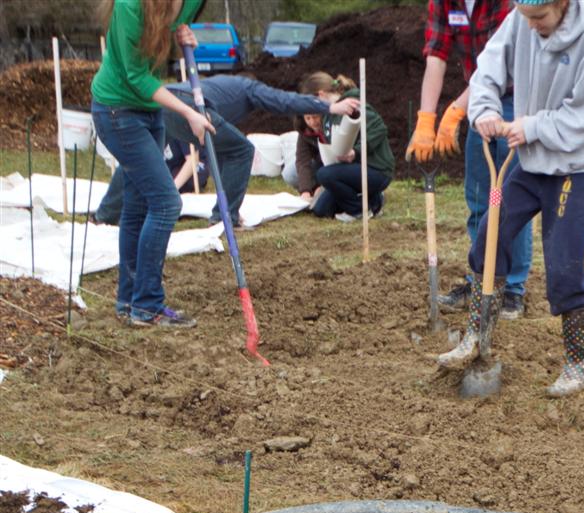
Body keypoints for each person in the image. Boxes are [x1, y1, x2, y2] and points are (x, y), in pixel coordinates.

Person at [436, 0, 584, 397]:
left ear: (563, 5)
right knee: (490, 234)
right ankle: (476, 336)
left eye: (540, 18)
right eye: (527, 18)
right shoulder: (520, 22)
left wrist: (533, 126)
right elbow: (488, 67)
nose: (532, 26)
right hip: (533, 159)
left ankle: (578, 363)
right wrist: (484, 107)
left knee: (563, 260)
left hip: (581, 164)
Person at [94, 73, 359, 226]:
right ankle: (225, 216)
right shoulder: (249, 88)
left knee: (139, 161)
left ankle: (106, 214)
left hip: (158, 101)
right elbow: (282, 101)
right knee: (242, 150)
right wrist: (328, 107)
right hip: (189, 107)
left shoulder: (221, 85)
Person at [91, 0, 214, 328]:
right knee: (166, 203)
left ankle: (129, 302)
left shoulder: (190, 2)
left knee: (138, 206)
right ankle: (147, 305)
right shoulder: (130, 6)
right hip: (117, 110)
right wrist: (188, 111)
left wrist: (180, 36)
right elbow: (135, 75)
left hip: (148, 111)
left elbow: (164, 38)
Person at [411, 0, 535, 322]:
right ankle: (480, 281)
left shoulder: (504, 3)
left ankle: (512, 290)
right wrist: (426, 118)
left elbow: (497, 61)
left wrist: (455, 110)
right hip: (480, 98)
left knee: (511, 198)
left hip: (516, 96)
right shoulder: (444, 3)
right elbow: (436, 58)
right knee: (480, 198)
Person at [298, 72, 394, 221]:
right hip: (351, 170)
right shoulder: (328, 115)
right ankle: (374, 201)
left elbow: (379, 129)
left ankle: (359, 210)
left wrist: (355, 152)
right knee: (321, 209)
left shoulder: (353, 104)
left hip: (375, 169)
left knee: (324, 174)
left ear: (321, 95)